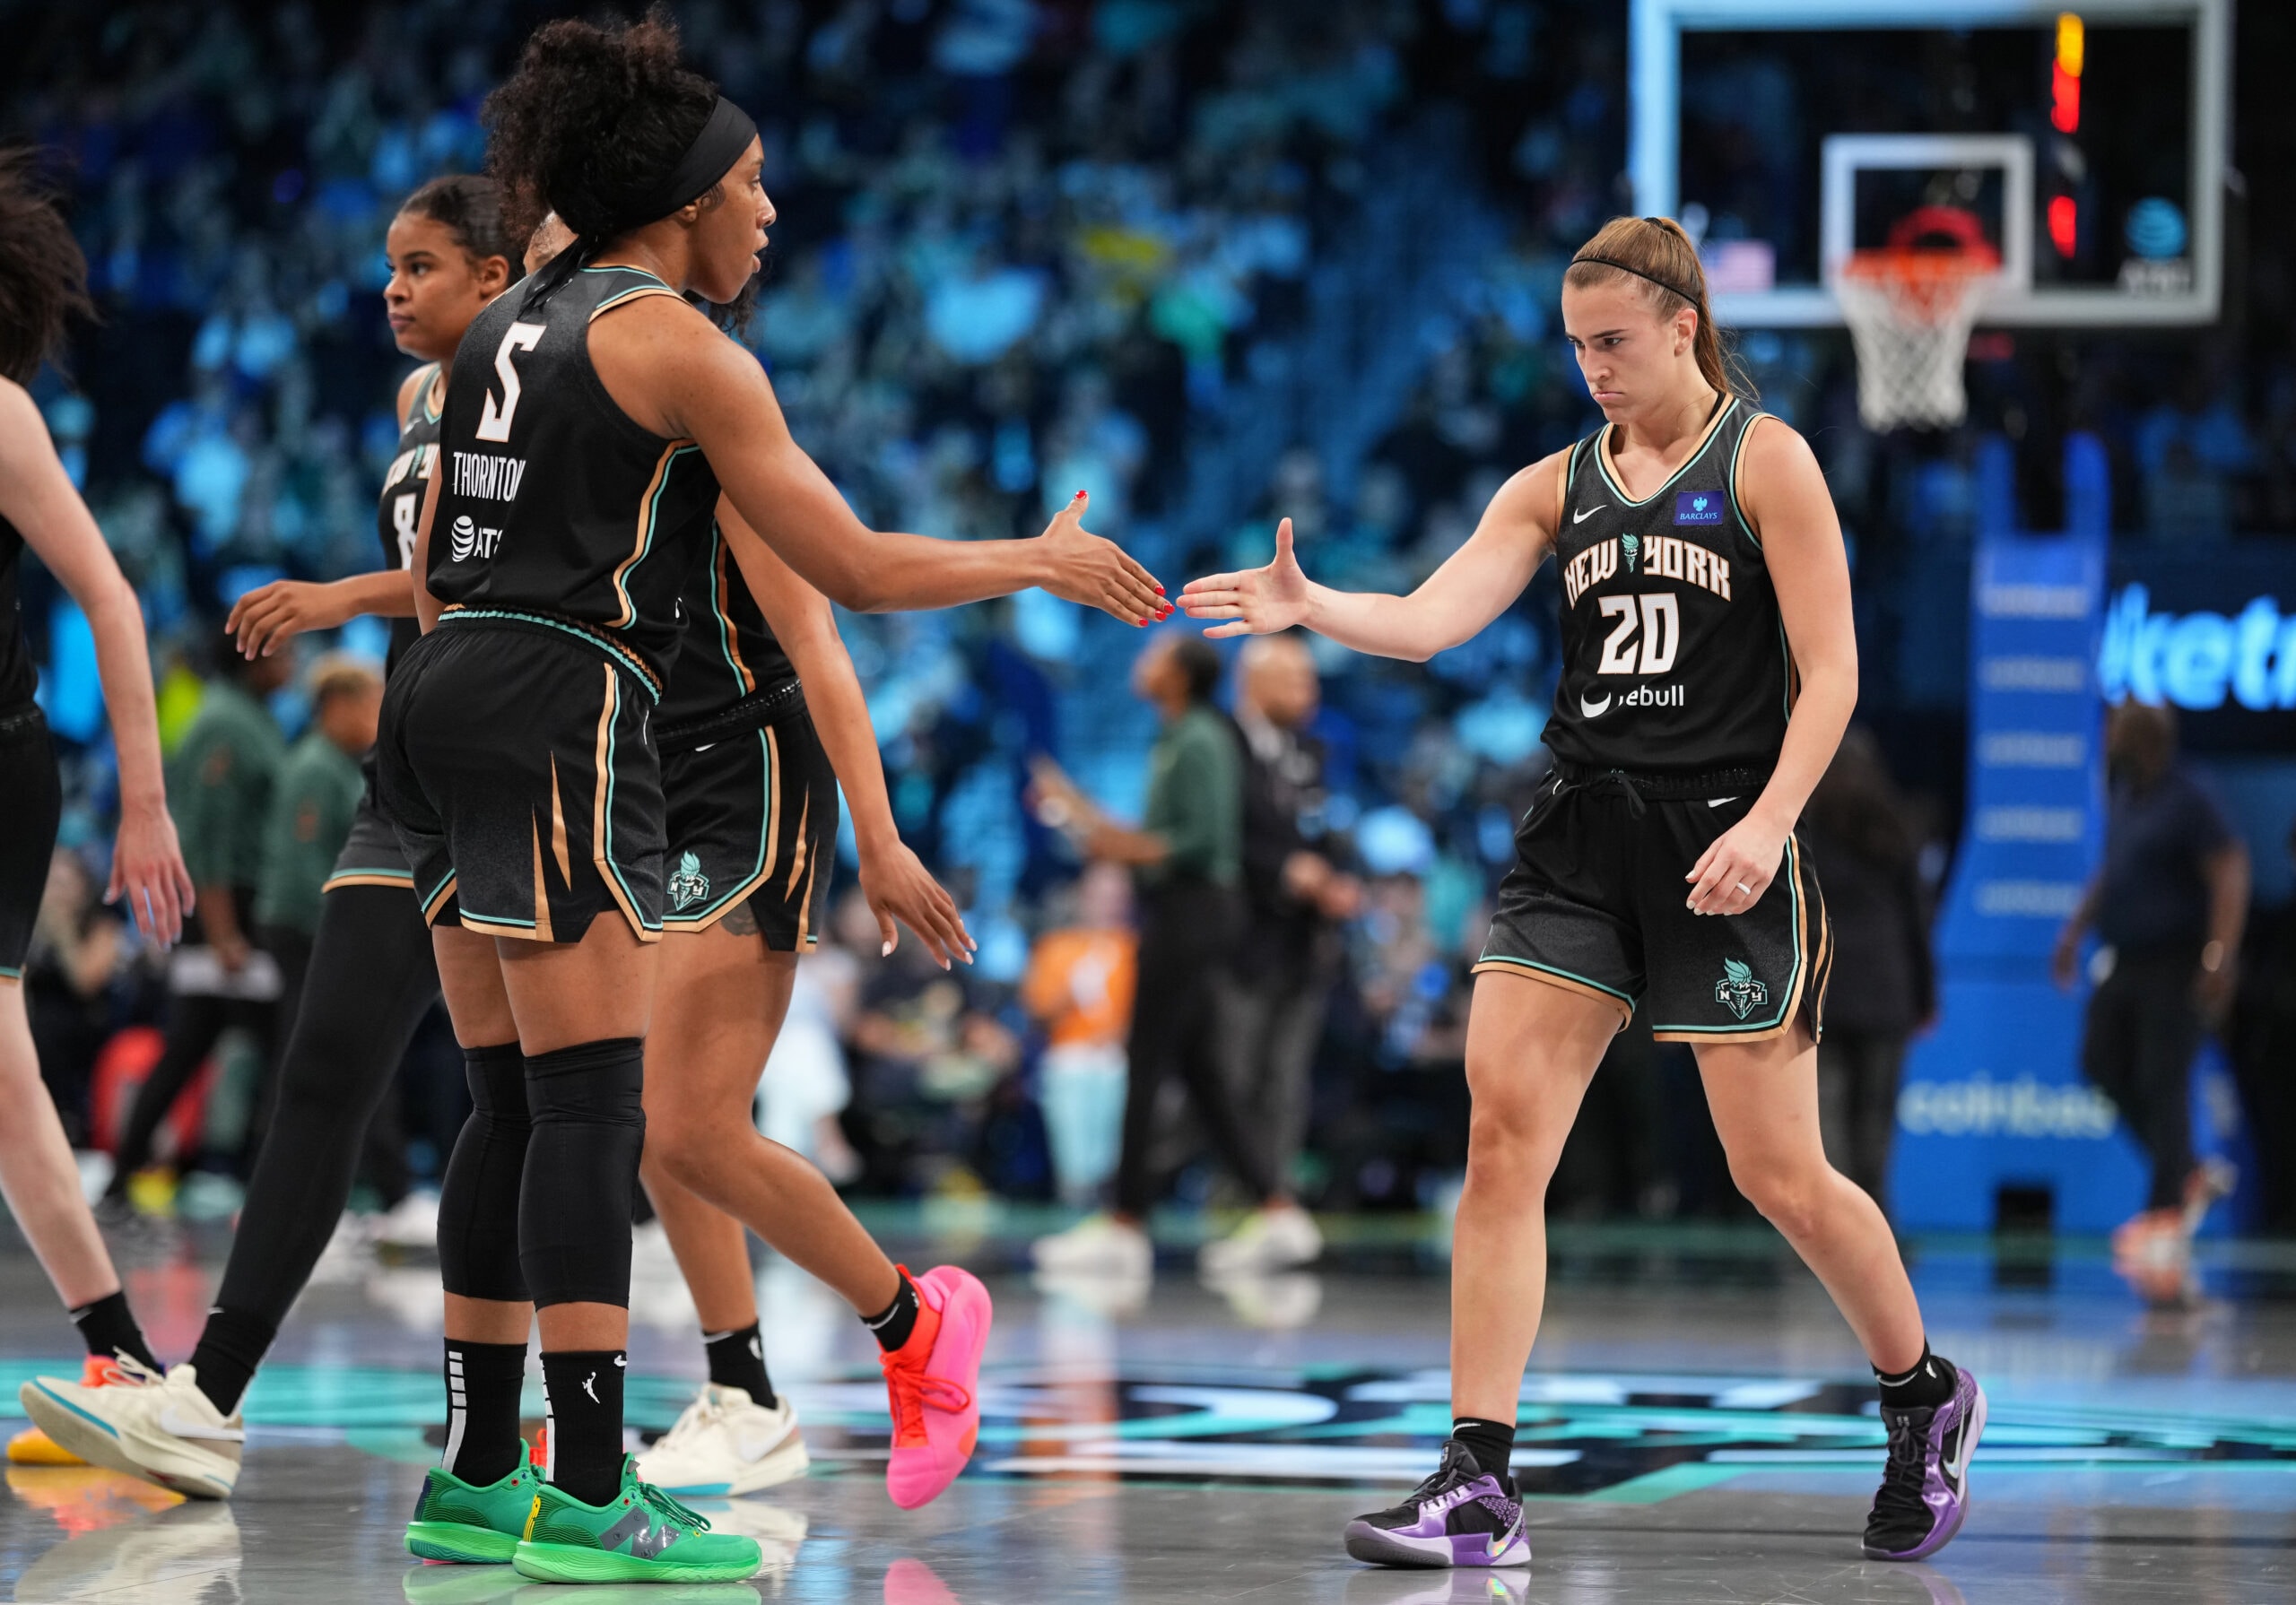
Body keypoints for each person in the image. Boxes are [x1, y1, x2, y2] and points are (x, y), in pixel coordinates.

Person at [335, 13, 1146, 1583]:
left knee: (510, 1102)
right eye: (753, 184)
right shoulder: (678, 344)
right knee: (592, 1109)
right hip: (566, 708)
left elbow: (433, 557)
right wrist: (1031, 559)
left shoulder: (504, 323)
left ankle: (481, 1468)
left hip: (432, 702)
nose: (771, 211)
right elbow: (851, 566)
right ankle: (590, 1496)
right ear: (683, 199)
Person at [1181, 214, 1984, 1568]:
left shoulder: (1768, 460)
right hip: (1577, 834)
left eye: (1613, 342)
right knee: (1503, 1137)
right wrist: (1312, 605)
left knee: (1779, 1173)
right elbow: (1437, 621)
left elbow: (1834, 674)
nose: (1592, 369)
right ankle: (1479, 1479)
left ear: (1683, 325)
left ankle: (1921, 1393)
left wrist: (1773, 822)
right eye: (1575, 348)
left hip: (1726, 834)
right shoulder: (1555, 484)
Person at [22, 173, 517, 1497]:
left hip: (524, 768)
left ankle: (581, 1416)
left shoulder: (555, 385)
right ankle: (212, 1397)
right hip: (406, 770)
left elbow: (519, 570)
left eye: (421, 266)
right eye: (388, 267)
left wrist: (335, 593)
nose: (393, 289)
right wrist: (365, 602)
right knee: (320, 1071)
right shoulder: (418, 401)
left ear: (496, 271)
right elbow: (445, 576)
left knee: (542, 1102)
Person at [491, 211, 985, 1510]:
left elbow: (824, 638)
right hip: (645, 767)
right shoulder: (566, 412)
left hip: (746, 778)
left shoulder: (710, 428)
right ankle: (752, 1387)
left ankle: (911, 1328)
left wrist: (881, 840)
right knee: (652, 1124)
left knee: (687, 1123)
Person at [0, 143, 193, 1466]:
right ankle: (117, 1347)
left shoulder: (1, 414)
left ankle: (127, 1353)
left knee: (1, 1070)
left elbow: (113, 600)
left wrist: (146, 803)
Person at [1027, 632, 1323, 1280]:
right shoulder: (1179, 736)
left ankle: (1125, 1223)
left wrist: (1101, 834)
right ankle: (1277, 1209)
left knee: (1145, 1060)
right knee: (1202, 1071)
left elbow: (1195, 842)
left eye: (1154, 657)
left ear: (1180, 675)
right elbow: (1154, 840)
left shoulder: (1198, 737)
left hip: (1193, 913)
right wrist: (1085, 821)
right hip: (1186, 911)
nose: (1142, 664)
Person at [97, 642, 290, 1218]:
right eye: (284, 656)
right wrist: (223, 930)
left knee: (195, 1044)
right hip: (227, 915)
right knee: (270, 1044)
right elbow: (208, 834)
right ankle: (269, 1183)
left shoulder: (250, 717)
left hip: (243, 911)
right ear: (253, 660)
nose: (293, 666)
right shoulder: (223, 723)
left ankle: (126, 1178)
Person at [2053, 700, 2249, 1255]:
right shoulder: (2127, 793)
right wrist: (2073, 932)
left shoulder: (2191, 794)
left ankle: (2166, 1210)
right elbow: (2113, 873)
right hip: (2127, 959)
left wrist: (2219, 956)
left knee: (2165, 1080)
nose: (2107, 734)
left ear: (2141, 736)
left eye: (2115, 726)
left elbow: (2230, 870)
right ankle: (2186, 1171)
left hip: (2179, 961)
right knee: (2100, 1063)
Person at [1221, 633, 1360, 1202]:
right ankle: (1208, 1196)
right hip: (1235, 948)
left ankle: (1269, 1204)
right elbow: (1216, 840)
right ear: (1255, 681)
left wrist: (1335, 878)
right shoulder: (1219, 745)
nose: (1311, 691)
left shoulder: (1310, 753)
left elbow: (1322, 833)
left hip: (1299, 950)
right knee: (1226, 1081)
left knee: (1283, 1085)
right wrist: (1285, 871)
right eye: (1298, 679)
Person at [246, 655, 385, 1158]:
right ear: (338, 705)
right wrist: (342, 934)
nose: (378, 716)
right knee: (304, 1050)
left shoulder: (336, 766)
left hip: (313, 927)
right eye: (371, 703)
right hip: (303, 928)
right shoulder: (314, 768)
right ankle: (273, 1163)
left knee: (312, 1049)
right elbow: (302, 864)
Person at [1798, 726, 1935, 1210]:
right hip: (1887, 991)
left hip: (1824, 989)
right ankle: (1877, 1227)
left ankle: (1828, 1228)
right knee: (1875, 1117)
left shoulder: (1804, 825)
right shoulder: (1896, 828)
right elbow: (1916, 921)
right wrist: (1925, 997)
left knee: (1826, 1115)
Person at [1021, 862, 1138, 1205]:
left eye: (1117, 897)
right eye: (1101, 896)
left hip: (1120, 1060)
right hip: (1069, 1058)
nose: (1108, 905)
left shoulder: (1135, 949)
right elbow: (1038, 1012)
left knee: (1114, 1151)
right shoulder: (1056, 948)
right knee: (1075, 1156)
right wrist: (1072, 991)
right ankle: (1075, 1200)